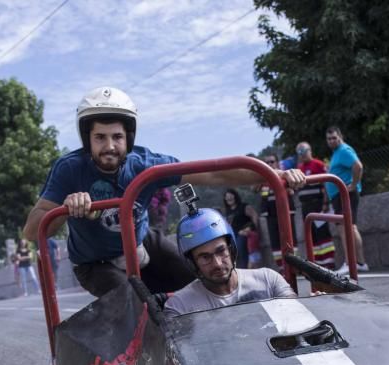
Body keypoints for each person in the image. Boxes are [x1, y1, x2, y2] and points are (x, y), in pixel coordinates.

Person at [23, 86, 305, 298]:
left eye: (117, 137)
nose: (109, 146)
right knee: (135, 305)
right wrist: (64, 207)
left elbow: (214, 172)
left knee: (201, 281)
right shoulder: (69, 169)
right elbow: (32, 231)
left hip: (141, 244)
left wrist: (274, 175)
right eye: (100, 137)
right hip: (94, 262)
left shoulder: (145, 165)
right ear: (88, 140)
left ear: (129, 138)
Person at [164, 204, 295, 317]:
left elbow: (298, 318)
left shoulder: (268, 281)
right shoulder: (180, 307)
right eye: (205, 257)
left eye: (221, 251)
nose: (218, 264)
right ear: (193, 263)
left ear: (231, 249)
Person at [324, 127, 368, 274]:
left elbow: (358, 166)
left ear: (340, 136)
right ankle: (360, 262)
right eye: (329, 139)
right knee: (350, 227)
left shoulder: (343, 150)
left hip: (345, 194)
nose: (331, 141)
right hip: (339, 195)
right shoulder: (337, 152)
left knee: (345, 228)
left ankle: (350, 263)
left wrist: (354, 184)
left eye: (334, 138)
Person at [295, 141, 336, 268]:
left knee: (322, 233)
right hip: (305, 206)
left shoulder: (318, 164)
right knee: (311, 234)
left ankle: (329, 263)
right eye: (299, 152)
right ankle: (317, 264)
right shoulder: (299, 168)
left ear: (310, 151)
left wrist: (325, 202)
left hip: (318, 204)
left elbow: (326, 184)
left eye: (304, 151)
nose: (302, 154)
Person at [258, 153, 295, 269]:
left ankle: (295, 266)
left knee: (290, 240)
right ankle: (282, 268)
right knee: (275, 243)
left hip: (286, 213)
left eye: (272, 162)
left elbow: (292, 191)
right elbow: (254, 188)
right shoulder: (262, 178)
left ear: (277, 163)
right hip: (270, 215)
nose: (269, 164)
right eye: (267, 163)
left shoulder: (285, 175)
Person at [222, 188, 258, 268]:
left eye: (230, 196)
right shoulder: (228, 210)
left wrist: (251, 228)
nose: (229, 198)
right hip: (233, 234)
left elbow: (254, 216)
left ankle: (244, 270)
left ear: (235, 196)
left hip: (244, 233)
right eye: (227, 197)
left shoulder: (244, 206)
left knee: (240, 249)